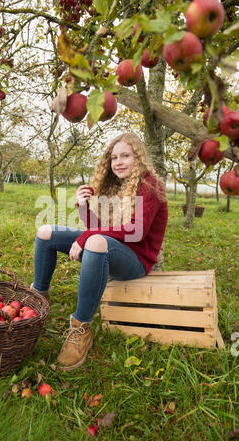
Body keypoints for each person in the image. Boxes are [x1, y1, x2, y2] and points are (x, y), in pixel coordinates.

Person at [31, 133, 168, 371]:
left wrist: (86, 238)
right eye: (114, 157)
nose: (118, 162)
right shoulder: (117, 186)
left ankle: (81, 328)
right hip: (110, 248)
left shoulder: (150, 185)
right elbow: (100, 231)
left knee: (94, 242)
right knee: (45, 232)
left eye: (125, 155)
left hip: (136, 260)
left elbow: (136, 231)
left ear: (138, 156)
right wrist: (83, 206)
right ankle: (38, 298)